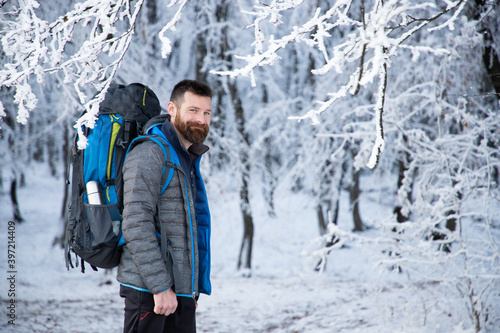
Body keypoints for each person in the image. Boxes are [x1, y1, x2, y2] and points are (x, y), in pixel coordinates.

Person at [117, 80, 213, 333]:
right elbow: (136, 223)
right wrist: (160, 287)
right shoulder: (150, 152)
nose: (201, 119)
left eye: (206, 112)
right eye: (193, 110)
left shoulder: (185, 157)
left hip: (180, 290)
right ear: (172, 109)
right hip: (150, 291)